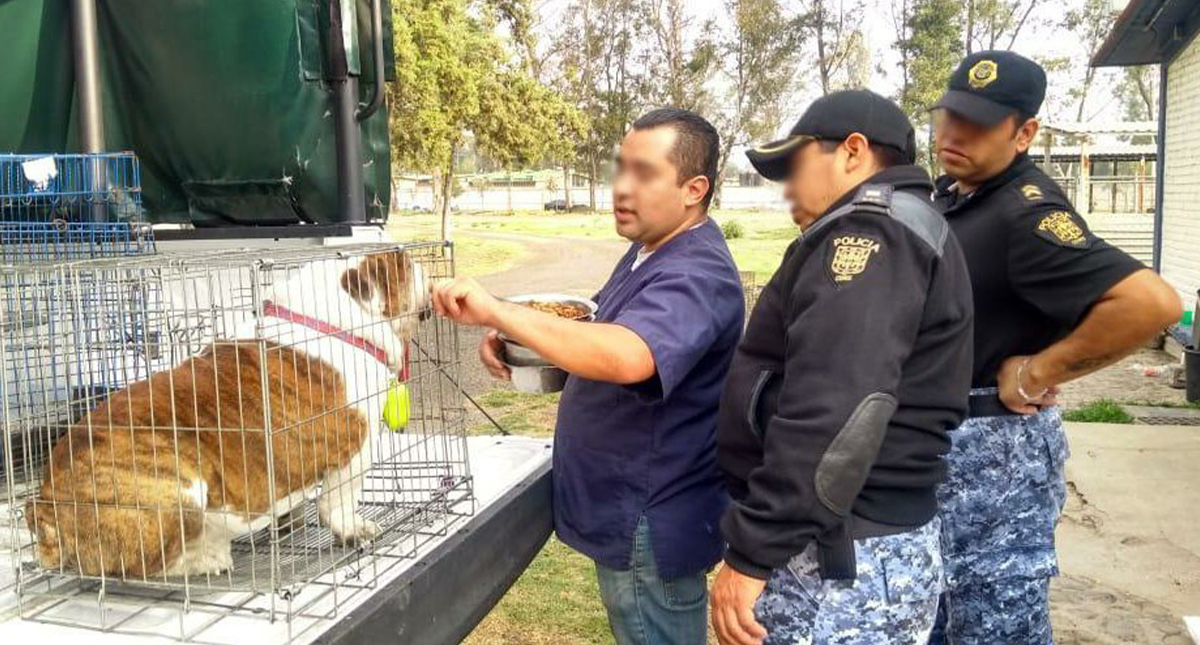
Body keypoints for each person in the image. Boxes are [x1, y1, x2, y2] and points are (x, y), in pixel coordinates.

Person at [432, 108, 745, 645]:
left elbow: (629, 354)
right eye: (620, 168)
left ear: (694, 188)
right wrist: (522, 343)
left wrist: (500, 313)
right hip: (626, 503)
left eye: (644, 174)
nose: (621, 187)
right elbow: (591, 324)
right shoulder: (649, 249)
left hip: (651, 513)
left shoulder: (698, 272)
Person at [927, 50, 1183, 644]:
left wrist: (1040, 370)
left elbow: (1151, 304)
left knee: (997, 627)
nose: (954, 133)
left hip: (994, 459)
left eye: (979, 123)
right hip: (945, 447)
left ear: (1025, 133)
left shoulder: (1027, 213)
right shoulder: (960, 196)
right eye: (949, 115)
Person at [709, 89, 974, 645]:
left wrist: (754, 551)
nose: (786, 189)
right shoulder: (905, 225)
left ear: (853, 151)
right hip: (855, 544)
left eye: (795, 166)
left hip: (841, 558)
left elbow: (834, 409)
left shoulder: (869, 233)